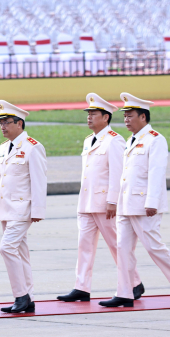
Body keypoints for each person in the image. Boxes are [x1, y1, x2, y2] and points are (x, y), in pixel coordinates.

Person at [99, 93, 170, 308]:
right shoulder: (131, 140)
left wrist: (152, 202)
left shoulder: (155, 139)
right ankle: (124, 292)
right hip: (126, 204)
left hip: (144, 205)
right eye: (124, 116)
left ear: (143, 117)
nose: (126, 120)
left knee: (153, 246)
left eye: (130, 116)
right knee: (122, 249)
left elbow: (157, 172)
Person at [58, 93, 144, 302]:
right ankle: (81, 287)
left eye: (93, 114)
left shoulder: (115, 140)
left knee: (117, 245)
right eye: (88, 114)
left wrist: (113, 201)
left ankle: (134, 283)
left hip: (106, 205)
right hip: (87, 203)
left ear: (106, 117)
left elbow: (118, 173)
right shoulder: (89, 140)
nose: (89, 117)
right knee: (84, 246)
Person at [0, 100, 47, 314]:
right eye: (0, 123)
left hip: (23, 209)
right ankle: (29, 298)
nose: (3, 126)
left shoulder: (33, 147)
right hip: (6, 209)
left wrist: (38, 211)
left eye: (7, 122)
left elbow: (39, 181)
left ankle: (21, 296)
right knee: (20, 253)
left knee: (6, 248)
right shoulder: (3, 148)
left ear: (19, 123)